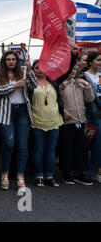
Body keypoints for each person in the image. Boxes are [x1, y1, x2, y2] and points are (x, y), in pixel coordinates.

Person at [0, 51, 37, 189]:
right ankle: (4, 174)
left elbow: (34, 86)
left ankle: (20, 175)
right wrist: (14, 85)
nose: (11, 61)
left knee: (22, 145)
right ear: (4, 61)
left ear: (17, 61)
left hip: (22, 111)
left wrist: (29, 70)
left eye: (14, 59)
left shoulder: (22, 73)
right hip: (7, 112)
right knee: (8, 144)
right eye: (8, 59)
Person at [30, 60, 65, 188]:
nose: (40, 70)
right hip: (36, 120)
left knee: (51, 150)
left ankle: (50, 176)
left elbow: (67, 69)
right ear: (33, 70)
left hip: (54, 120)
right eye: (37, 68)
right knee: (38, 149)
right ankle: (39, 176)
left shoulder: (54, 82)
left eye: (42, 67)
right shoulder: (31, 84)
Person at [59, 64, 95, 185]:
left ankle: (79, 172)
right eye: (71, 69)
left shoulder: (80, 83)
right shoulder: (61, 84)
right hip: (67, 121)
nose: (73, 71)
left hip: (81, 120)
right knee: (67, 147)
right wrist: (62, 111)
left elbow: (90, 99)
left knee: (82, 147)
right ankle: (66, 172)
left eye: (75, 69)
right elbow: (56, 100)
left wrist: (87, 85)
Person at [79, 52, 101, 183]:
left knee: (97, 142)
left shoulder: (100, 75)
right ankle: (87, 170)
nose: (100, 62)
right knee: (90, 141)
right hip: (90, 114)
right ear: (91, 62)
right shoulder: (84, 76)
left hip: (99, 114)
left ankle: (94, 169)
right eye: (98, 60)